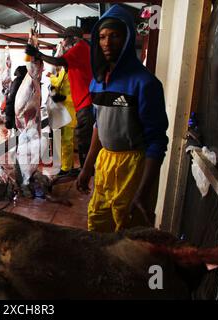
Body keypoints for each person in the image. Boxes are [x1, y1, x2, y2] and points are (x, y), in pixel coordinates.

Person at [76, 5, 169, 233]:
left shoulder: (145, 84)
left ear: (127, 38)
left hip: (132, 165)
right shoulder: (98, 82)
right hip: (105, 163)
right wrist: (87, 168)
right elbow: (99, 127)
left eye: (114, 36)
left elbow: (157, 142)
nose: (107, 43)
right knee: (98, 224)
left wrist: (143, 191)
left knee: (128, 232)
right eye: (102, 37)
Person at [26, 24, 95, 172]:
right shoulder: (80, 52)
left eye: (64, 39)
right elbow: (65, 77)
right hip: (75, 104)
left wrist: (38, 54)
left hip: (80, 103)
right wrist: (55, 92)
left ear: (73, 39)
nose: (62, 43)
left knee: (77, 141)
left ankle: (82, 172)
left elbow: (58, 61)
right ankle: (75, 169)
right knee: (72, 140)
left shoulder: (80, 47)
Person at [48, 64, 77, 176]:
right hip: (62, 108)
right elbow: (58, 82)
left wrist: (51, 77)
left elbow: (59, 83)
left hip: (69, 109)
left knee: (67, 140)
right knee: (63, 139)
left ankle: (66, 168)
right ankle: (66, 164)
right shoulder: (64, 69)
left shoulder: (72, 70)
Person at [4, 66, 27, 130]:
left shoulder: (17, 82)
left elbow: (11, 99)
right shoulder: (31, 82)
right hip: (29, 116)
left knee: (16, 136)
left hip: (17, 114)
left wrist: (8, 118)